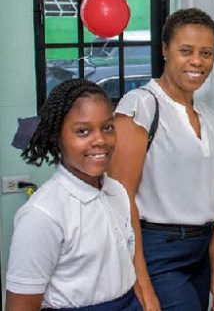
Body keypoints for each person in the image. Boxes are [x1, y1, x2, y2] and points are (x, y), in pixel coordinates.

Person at [110, 8, 214, 311]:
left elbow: (209, 206)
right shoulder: (141, 107)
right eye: (185, 51)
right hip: (158, 252)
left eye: (206, 53)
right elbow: (120, 203)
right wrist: (143, 287)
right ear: (165, 50)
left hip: (199, 253)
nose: (197, 62)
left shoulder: (208, 118)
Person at [5, 79, 140, 311]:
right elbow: (21, 306)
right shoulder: (42, 215)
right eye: (82, 131)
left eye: (107, 127)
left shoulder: (117, 192)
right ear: (58, 137)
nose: (99, 140)